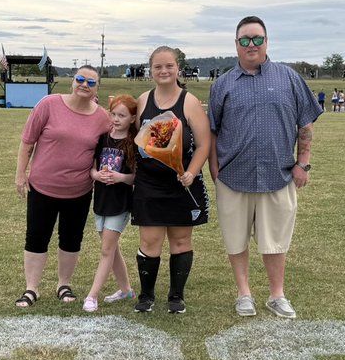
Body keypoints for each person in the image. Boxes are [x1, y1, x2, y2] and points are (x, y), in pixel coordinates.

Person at [208, 16, 321, 319]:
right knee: (236, 238)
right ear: (236, 45)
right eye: (245, 40)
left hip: (279, 174)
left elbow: (305, 123)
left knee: (276, 239)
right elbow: (213, 131)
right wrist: (215, 172)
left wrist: (303, 163)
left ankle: (276, 294)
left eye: (257, 38)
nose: (251, 45)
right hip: (233, 177)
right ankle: (244, 293)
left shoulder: (289, 78)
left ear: (267, 41)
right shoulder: (223, 85)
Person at [14, 65, 112, 308]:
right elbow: (27, 142)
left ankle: (63, 284)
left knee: (71, 239)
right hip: (42, 187)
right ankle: (31, 288)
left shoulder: (102, 118)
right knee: (37, 237)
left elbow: (109, 149)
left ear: (97, 88)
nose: (84, 85)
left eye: (91, 83)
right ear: (72, 81)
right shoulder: (48, 104)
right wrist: (20, 174)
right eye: (80, 79)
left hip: (79, 191)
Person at [132, 46, 211, 314]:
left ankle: (176, 296)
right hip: (149, 185)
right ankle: (146, 296)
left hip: (180, 184)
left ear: (178, 68)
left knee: (180, 241)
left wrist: (192, 172)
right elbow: (139, 140)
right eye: (158, 67)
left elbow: (203, 144)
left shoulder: (189, 102)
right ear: (150, 70)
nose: (164, 71)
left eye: (169, 66)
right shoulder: (143, 100)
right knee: (149, 242)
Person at [82, 94, 139, 311]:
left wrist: (120, 178)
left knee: (106, 249)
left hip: (120, 202)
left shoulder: (134, 143)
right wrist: (97, 176)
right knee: (111, 249)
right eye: (113, 114)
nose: (116, 119)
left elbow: (136, 176)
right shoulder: (103, 138)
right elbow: (93, 168)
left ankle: (92, 296)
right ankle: (126, 290)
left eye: (122, 115)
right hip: (101, 200)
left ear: (132, 118)